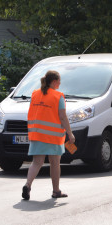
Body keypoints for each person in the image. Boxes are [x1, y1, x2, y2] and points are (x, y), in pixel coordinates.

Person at [22, 70, 75, 200]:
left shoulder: (35, 94)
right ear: (54, 81)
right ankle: (56, 191)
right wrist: (70, 133)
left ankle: (27, 185)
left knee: (37, 162)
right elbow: (62, 117)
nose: (60, 83)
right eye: (59, 80)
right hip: (53, 136)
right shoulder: (58, 96)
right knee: (55, 163)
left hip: (37, 134)